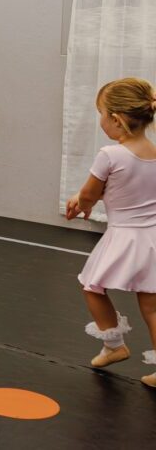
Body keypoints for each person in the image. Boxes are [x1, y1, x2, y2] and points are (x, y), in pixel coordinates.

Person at [65, 77, 156, 388]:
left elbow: (91, 193)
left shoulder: (109, 155)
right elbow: (133, 188)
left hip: (125, 236)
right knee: (152, 305)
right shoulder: (154, 153)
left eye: (101, 113)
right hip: (153, 237)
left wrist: (81, 203)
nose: (100, 120)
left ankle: (114, 346)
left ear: (115, 119)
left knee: (92, 286)